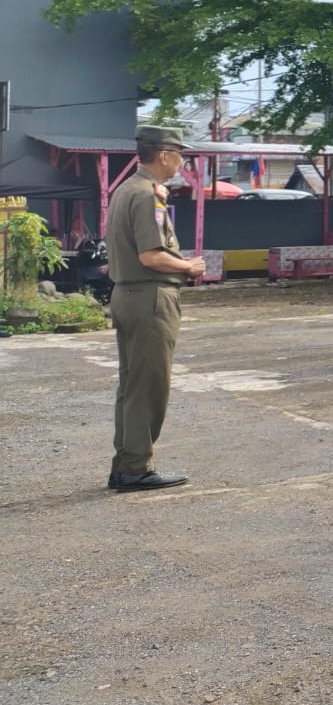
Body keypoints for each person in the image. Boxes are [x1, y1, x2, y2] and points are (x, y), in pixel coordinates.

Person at [104, 125, 206, 492]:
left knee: (132, 384)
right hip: (150, 296)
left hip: (127, 295)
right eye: (180, 153)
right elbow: (151, 255)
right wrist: (189, 266)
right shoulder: (148, 195)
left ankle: (125, 463)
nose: (182, 161)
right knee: (150, 384)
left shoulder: (124, 190)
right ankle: (135, 467)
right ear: (164, 154)